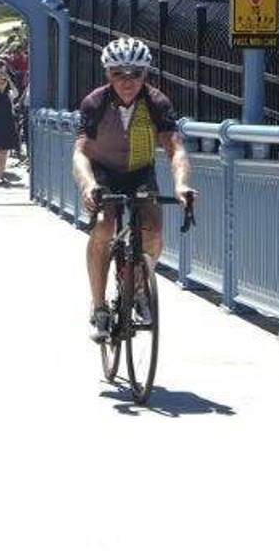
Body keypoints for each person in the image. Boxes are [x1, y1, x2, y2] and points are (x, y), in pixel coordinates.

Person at [73, 37, 194, 343]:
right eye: (118, 74)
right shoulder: (95, 103)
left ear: (146, 74)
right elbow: (81, 152)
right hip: (103, 171)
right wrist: (88, 185)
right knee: (103, 226)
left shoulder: (157, 103)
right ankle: (99, 307)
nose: (127, 81)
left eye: (135, 74)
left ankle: (138, 287)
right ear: (107, 75)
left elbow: (174, 148)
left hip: (140, 170)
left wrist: (181, 184)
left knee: (152, 229)